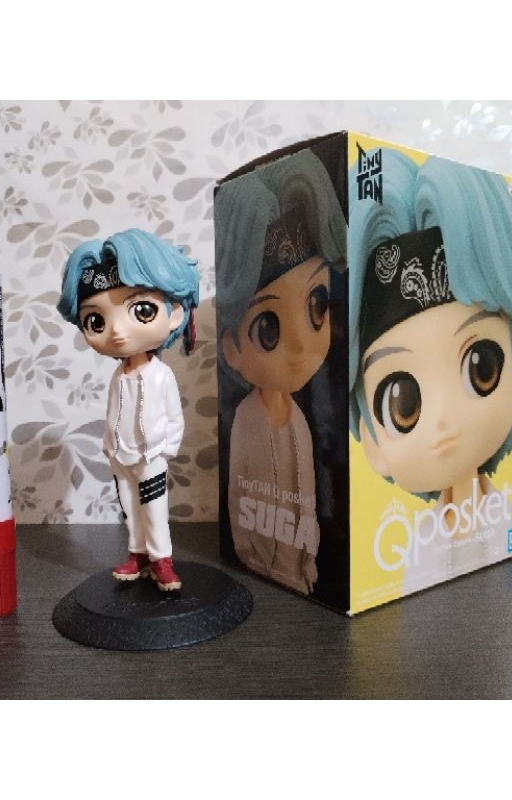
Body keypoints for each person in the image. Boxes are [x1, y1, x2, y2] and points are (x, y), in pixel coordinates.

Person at [348, 149, 512, 593]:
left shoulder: (505, 518)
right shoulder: (416, 548)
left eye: (482, 368)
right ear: (372, 441)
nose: (445, 419)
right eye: (403, 404)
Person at [216, 149, 346, 594]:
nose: (302, 347)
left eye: (316, 307)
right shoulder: (247, 419)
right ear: (231, 347)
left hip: (300, 570)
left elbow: (306, 499)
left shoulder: (300, 421)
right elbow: (238, 495)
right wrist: (247, 553)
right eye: (268, 328)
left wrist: (307, 561)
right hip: (256, 567)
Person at [57, 229, 199, 591]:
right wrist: (110, 445)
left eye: (142, 310)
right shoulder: (118, 376)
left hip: (151, 453)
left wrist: (165, 448)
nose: (118, 332)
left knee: (155, 508)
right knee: (129, 505)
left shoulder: (161, 375)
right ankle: (138, 554)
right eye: (96, 321)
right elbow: (113, 412)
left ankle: (162, 559)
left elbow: (174, 417)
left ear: (174, 314)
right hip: (121, 453)